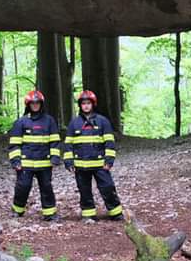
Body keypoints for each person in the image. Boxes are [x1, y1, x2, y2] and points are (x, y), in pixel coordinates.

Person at [62, 89, 124, 222]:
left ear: (93, 104)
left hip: (100, 164)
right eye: (83, 103)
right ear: (80, 105)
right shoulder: (74, 123)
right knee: (84, 191)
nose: (86, 106)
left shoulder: (103, 121)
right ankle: (88, 214)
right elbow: (68, 145)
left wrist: (109, 159)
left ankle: (116, 213)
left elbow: (109, 142)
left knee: (107, 187)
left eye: (88, 103)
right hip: (80, 165)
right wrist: (69, 161)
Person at [7, 88, 62, 220]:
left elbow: (54, 141)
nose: (35, 105)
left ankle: (50, 213)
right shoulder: (21, 122)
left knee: (46, 187)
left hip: (44, 163)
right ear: (28, 105)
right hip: (25, 163)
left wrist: (55, 157)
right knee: (23, 187)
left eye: (37, 103)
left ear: (41, 104)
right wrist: (16, 161)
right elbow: (14, 144)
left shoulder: (49, 121)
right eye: (33, 103)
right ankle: (17, 210)